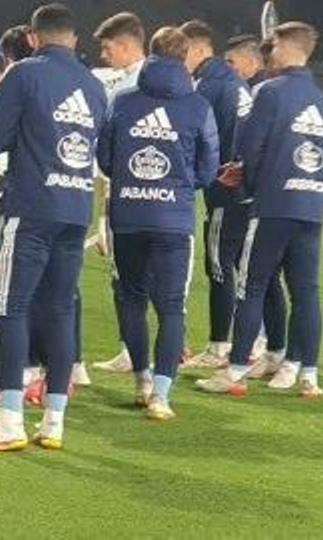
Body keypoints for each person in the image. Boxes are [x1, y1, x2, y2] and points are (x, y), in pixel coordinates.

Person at [0, 4, 105, 452]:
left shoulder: (23, 73)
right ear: (74, 39)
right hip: (75, 207)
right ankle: (54, 421)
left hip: (32, 205)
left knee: (9, 307)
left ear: (35, 38)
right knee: (58, 310)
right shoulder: (94, 85)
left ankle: (10, 419)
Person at [198, 22, 323, 400]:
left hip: (273, 205)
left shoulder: (269, 92)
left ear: (285, 46)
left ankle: (236, 371)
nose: (267, 52)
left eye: (271, 45)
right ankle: (309, 376)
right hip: (311, 206)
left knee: (251, 286)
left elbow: (250, 148)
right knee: (307, 291)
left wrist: (250, 185)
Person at [96, 27, 218, 421]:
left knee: (131, 298)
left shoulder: (122, 99)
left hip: (128, 216)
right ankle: (162, 396)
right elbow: (208, 168)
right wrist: (176, 185)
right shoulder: (198, 105)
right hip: (174, 219)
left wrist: (135, 183)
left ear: (150, 54)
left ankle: (141, 381)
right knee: (171, 307)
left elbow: (106, 159)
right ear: (185, 58)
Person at [179, 22, 282, 372]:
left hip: (226, 190)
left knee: (220, 266)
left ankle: (219, 347)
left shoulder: (210, 85)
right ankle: (263, 344)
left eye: (184, 52)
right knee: (250, 269)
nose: (182, 61)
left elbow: (201, 139)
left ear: (198, 49)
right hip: (250, 190)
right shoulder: (237, 84)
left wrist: (205, 176)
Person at [89, 11, 147, 376]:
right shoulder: (156, 79)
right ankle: (169, 346)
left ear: (126, 45)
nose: (104, 56)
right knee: (160, 282)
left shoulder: (130, 91)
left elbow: (113, 155)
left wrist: (104, 217)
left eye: (108, 48)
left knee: (125, 279)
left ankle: (133, 350)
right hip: (163, 205)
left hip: (130, 200)